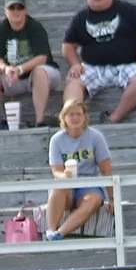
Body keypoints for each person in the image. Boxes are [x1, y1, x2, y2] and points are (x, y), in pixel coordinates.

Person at [61, 0, 136, 125]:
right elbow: (67, 46)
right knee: (73, 83)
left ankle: (113, 118)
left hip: (127, 65)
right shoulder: (80, 17)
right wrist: (75, 64)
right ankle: (74, 122)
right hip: (93, 67)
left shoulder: (126, 9)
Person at [0, 0, 63, 131]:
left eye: (20, 8)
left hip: (43, 75)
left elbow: (42, 57)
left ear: (26, 10)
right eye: (12, 8)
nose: (16, 11)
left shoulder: (35, 27)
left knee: (39, 71)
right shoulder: (0, 29)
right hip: (13, 77)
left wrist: (20, 69)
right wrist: (6, 69)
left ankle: (40, 121)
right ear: (5, 11)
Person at [45, 98, 113, 241]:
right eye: (71, 115)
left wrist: (112, 198)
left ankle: (60, 233)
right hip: (67, 184)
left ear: (85, 116)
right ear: (64, 118)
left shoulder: (95, 137)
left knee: (93, 200)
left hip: (89, 185)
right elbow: (56, 171)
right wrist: (65, 176)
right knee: (57, 186)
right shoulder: (56, 140)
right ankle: (51, 229)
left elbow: (106, 170)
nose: (75, 118)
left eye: (78, 114)